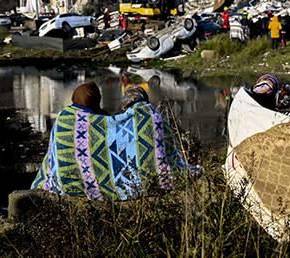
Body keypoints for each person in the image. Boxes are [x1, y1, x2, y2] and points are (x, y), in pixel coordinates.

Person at [31, 84, 193, 201]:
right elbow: (170, 154)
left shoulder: (65, 120)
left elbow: (52, 159)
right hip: (151, 184)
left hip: (70, 186)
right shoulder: (151, 118)